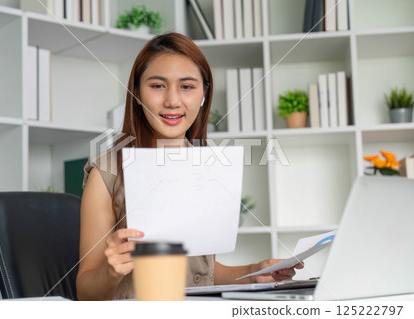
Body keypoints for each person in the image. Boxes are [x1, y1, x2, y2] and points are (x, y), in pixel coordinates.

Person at [76, 32, 303, 301]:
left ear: (204, 94)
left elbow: (197, 274)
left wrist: (252, 273)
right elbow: (85, 293)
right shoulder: (107, 173)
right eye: (158, 85)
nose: (173, 100)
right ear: (136, 93)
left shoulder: (208, 166)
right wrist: (111, 272)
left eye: (187, 86)